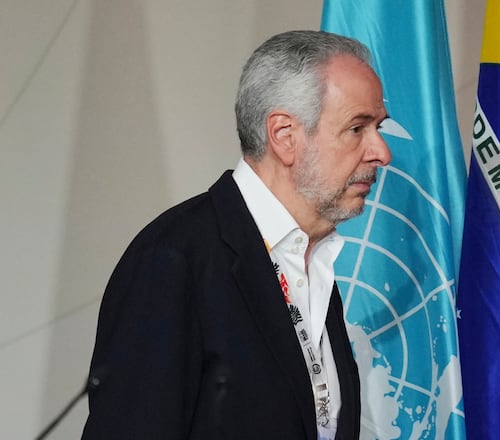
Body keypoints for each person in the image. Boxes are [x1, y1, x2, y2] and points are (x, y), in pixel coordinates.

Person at [81, 30, 391, 439]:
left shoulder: (312, 258)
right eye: (357, 128)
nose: (382, 152)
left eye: (378, 127)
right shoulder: (173, 259)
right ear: (284, 136)